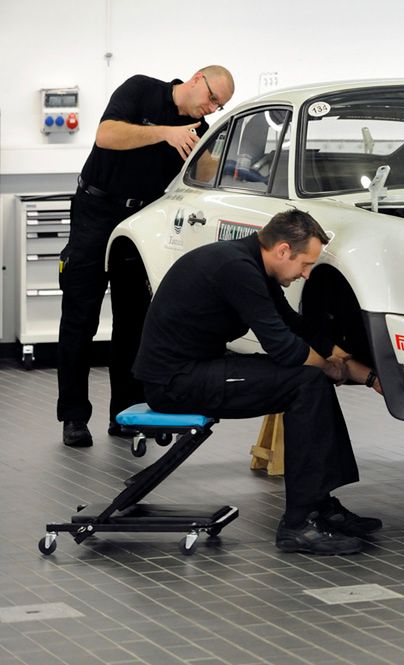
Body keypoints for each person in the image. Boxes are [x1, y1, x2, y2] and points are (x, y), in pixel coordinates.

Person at [133, 208, 382, 555]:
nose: (307, 275)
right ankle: (298, 525)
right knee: (306, 381)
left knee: (310, 379)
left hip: (201, 367)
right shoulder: (237, 269)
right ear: (282, 250)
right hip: (175, 383)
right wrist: (330, 368)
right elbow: (283, 347)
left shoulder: (251, 264)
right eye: (305, 264)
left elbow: (298, 327)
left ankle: (321, 506)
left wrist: (368, 375)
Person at [58, 65, 235, 447]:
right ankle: (73, 415)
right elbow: (106, 135)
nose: (211, 108)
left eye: (218, 105)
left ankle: (124, 414)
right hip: (95, 210)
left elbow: (205, 173)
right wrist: (166, 134)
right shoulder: (141, 90)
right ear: (196, 79)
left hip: (138, 223)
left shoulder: (198, 132)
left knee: (133, 321)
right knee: (80, 317)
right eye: (212, 98)